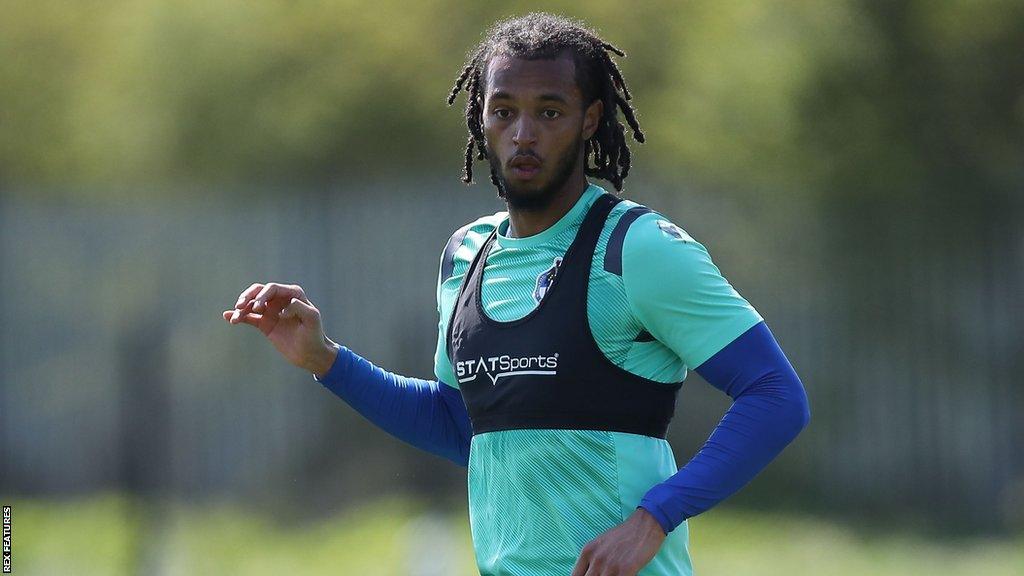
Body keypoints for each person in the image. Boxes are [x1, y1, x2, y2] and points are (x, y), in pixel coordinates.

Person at [223, 12, 809, 576]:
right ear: (482, 119)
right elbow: (462, 427)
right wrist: (324, 359)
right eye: (504, 111)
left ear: (590, 118)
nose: (523, 134)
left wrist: (655, 517)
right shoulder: (466, 256)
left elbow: (776, 395)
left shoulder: (637, 248)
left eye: (549, 112)